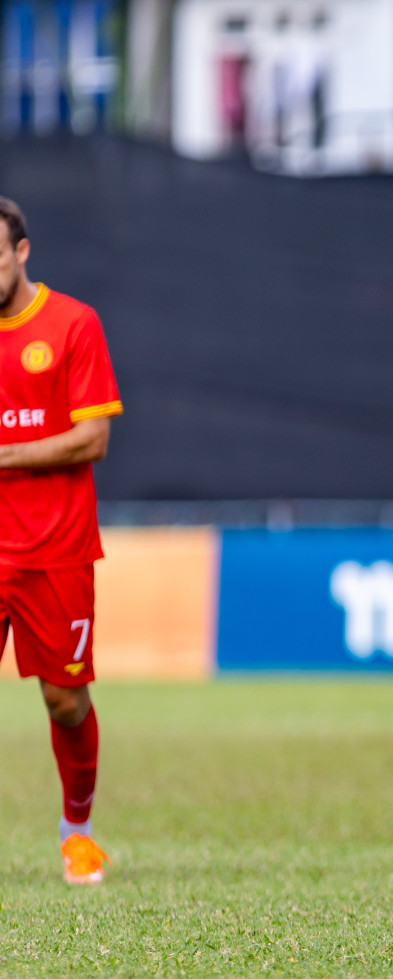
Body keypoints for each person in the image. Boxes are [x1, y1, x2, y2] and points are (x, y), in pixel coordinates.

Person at [0, 196, 123, 884]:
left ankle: (77, 829)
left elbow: (93, 437)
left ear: (22, 252)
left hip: (55, 547)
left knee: (64, 700)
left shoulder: (73, 323)